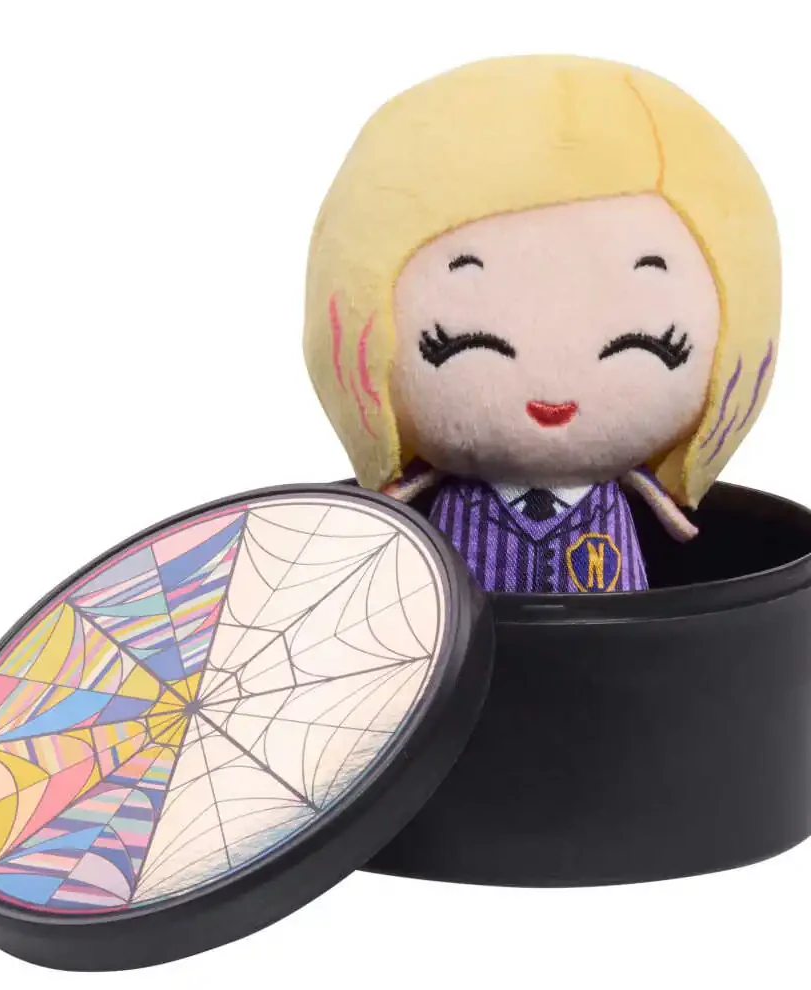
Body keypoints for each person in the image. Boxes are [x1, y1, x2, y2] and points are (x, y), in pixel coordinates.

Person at [305, 55, 780, 593]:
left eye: (639, 343)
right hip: (467, 636)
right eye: (466, 341)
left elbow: (676, 518)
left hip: (621, 638)